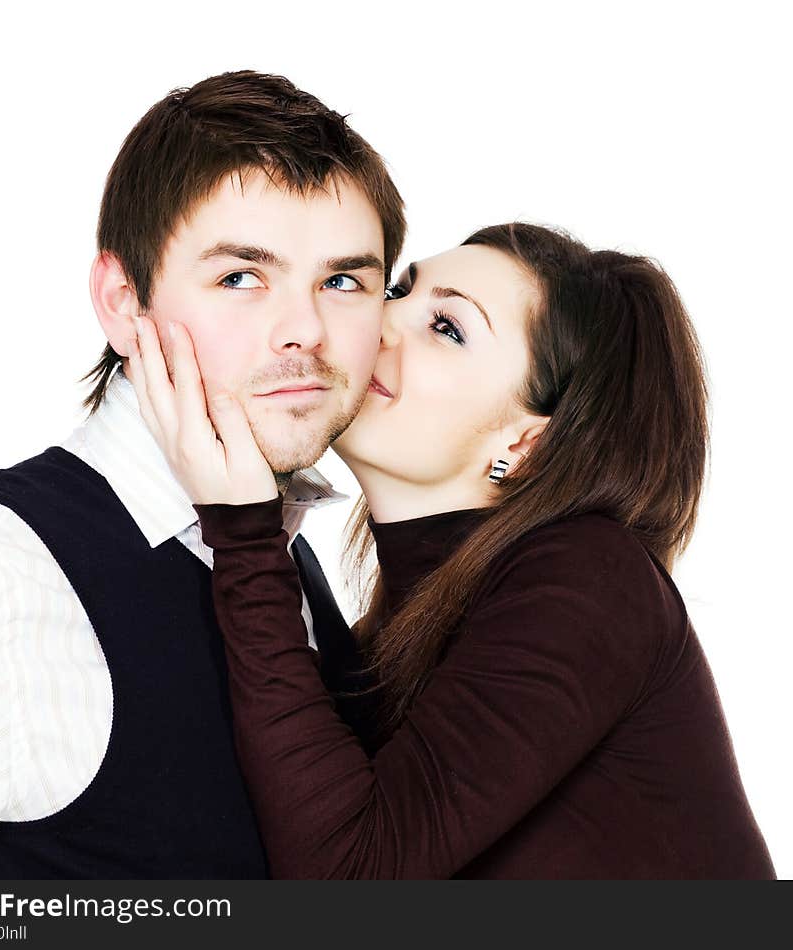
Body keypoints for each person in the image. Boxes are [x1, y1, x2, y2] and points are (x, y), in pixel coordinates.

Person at [128, 222, 777, 879]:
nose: (377, 321)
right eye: (399, 289)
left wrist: (244, 530)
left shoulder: (590, 579)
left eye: (446, 328)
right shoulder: (385, 644)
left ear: (526, 445)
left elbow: (347, 878)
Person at [0, 70, 405, 878]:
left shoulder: (274, 538)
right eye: (241, 277)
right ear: (121, 300)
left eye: (343, 281)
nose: (306, 331)